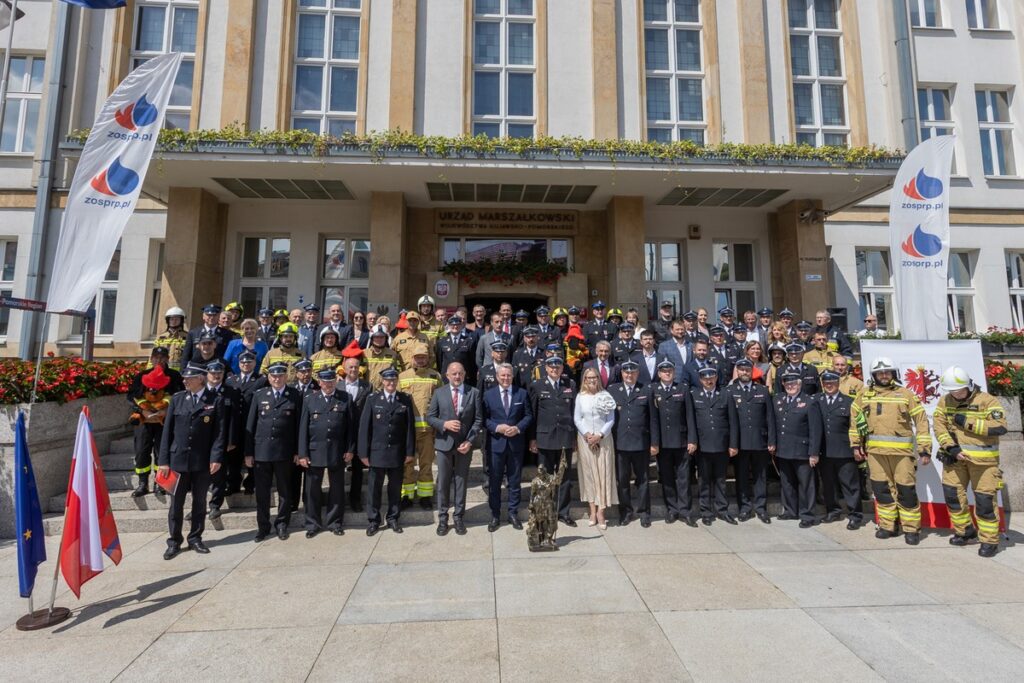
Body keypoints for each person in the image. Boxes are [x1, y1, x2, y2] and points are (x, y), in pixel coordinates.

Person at [849, 357, 931, 545]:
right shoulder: (864, 395)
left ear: (893, 374)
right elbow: (854, 421)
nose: (884, 376)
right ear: (874, 375)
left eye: (887, 372)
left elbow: (921, 421)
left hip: (902, 454)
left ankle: (911, 528)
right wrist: (855, 445)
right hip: (875, 453)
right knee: (882, 491)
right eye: (880, 373)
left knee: (906, 491)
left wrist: (925, 449)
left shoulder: (905, 394)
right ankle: (887, 525)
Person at [933, 366, 1007, 557]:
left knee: (984, 502)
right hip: (955, 459)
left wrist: (967, 422)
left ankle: (989, 541)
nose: (956, 394)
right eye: (952, 391)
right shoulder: (945, 400)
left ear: (969, 385)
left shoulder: (987, 401)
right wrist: (952, 448)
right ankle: (965, 532)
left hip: (983, 463)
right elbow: (939, 426)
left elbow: (1000, 427)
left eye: (959, 391)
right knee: (953, 496)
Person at [157, 363, 226, 560]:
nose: (185, 380)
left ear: (201, 378)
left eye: (190, 377)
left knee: (199, 501)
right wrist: (163, 461)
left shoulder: (215, 400)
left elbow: (219, 434)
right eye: (185, 377)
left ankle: (195, 537)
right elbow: (167, 432)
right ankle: (174, 541)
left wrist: (216, 457)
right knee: (175, 504)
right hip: (177, 460)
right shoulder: (178, 399)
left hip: (201, 461)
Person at [245, 362, 302, 542]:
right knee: (262, 493)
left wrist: (298, 451)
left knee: (285, 491)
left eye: (280, 376)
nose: (277, 379)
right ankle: (263, 526)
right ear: (269, 378)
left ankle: (282, 524)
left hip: (284, 452)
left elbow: (299, 426)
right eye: (273, 376)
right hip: (261, 452)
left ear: (286, 377)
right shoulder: (259, 395)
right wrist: (248, 453)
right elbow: (250, 425)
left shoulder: (295, 395)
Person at [298, 367, 356, 538]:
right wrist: (302, 453)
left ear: (335, 381)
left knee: (337, 489)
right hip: (314, 451)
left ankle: (335, 522)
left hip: (337, 451)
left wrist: (350, 449)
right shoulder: (309, 399)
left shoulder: (345, 398)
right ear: (320, 383)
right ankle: (312, 524)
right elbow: (302, 429)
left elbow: (351, 428)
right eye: (325, 381)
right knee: (312, 490)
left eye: (331, 381)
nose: (328, 384)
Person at [358, 367, 416, 535]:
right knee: (374, 489)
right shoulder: (372, 399)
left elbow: (409, 429)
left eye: (393, 380)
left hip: (397, 452)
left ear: (397, 381)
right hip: (377, 453)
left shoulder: (404, 399)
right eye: (388, 380)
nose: (391, 383)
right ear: (382, 381)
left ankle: (393, 518)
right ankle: (374, 520)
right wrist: (363, 453)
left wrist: (410, 451)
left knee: (395, 488)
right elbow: (364, 428)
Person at [427, 362, 482, 536]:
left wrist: (470, 441)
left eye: (460, 373)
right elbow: (430, 417)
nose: (457, 377)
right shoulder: (439, 393)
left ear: (465, 374)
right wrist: (444, 424)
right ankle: (443, 518)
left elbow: (478, 420)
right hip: (444, 445)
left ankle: (458, 517)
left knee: (461, 482)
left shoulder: (473, 393)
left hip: (463, 446)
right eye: (453, 374)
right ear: (447, 375)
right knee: (443, 483)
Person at [529, 355, 578, 526]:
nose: (555, 369)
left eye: (558, 366)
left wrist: (574, 438)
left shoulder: (570, 385)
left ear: (562, 368)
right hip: (545, 438)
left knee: (564, 478)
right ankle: (546, 510)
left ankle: (563, 512)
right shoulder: (537, 385)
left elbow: (574, 413)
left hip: (565, 437)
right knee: (546, 478)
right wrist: (533, 438)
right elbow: (533, 414)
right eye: (551, 366)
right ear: (546, 368)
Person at [482, 363, 533, 530]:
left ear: (512, 376)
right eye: (502, 376)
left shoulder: (522, 394)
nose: (505, 378)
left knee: (514, 481)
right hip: (496, 445)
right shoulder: (488, 395)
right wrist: (497, 428)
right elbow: (484, 419)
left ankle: (513, 513)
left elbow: (528, 416)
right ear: (497, 377)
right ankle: (495, 515)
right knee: (494, 482)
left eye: (508, 376)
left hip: (515, 444)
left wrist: (517, 428)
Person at [609, 361, 658, 527]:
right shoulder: (613, 390)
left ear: (637, 373)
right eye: (626, 372)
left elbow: (653, 419)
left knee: (643, 480)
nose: (629, 375)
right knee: (622, 481)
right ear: (622, 373)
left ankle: (644, 513)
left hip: (641, 444)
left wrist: (654, 443)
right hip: (620, 444)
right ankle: (626, 512)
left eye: (633, 373)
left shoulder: (646, 389)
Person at [726, 359, 776, 523]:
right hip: (740, 443)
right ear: (737, 372)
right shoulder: (730, 391)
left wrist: (771, 440)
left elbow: (770, 418)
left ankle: (761, 508)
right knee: (741, 477)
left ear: (752, 371)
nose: (744, 373)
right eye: (741, 370)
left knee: (760, 476)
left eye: (747, 370)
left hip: (760, 442)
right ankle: (745, 508)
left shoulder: (762, 390)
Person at [650, 360, 697, 526]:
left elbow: (690, 416)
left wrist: (692, 439)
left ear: (674, 372)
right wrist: (654, 443)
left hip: (682, 442)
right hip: (663, 443)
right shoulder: (653, 390)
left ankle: (685, 511)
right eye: (664, 371)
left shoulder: (683, 389)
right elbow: (653, 420)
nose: (667, 373)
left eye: (670, 370)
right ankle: (672, 510)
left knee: (684, 479)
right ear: (659, 373)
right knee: (667, 478)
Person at [775, 371, 824, 528]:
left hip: (802, 451)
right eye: (787, 383)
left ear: (800, 384)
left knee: (806, 485)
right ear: (783, 384)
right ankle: (790, 510)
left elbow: (815, 430)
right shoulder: (778, 400)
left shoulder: (809, 402)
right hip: (783, 450)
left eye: (794, 383)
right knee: (787, 483)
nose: (790, 386)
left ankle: (807, 515)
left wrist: (814, 453)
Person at [691, 366, 737, 525]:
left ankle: (722, 510)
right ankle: (706, 512)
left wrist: (733, 444)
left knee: (720, 480)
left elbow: (733, 421)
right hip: (703, 446)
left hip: (722, 445)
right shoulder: (694, 395)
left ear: (716, 378)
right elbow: (691, 421)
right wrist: (693, 441)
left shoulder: (725, 394)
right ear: (700, 380)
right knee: (703, 480)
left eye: (711, 378)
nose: (708, 380)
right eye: (705, 378)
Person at [398, 343, 443, 508]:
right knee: (407, 464)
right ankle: (407, 496)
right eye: (418, 357)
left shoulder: (435, 376)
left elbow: (442, 401)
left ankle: (425, 496)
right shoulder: (402, 377)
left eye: (423, 357)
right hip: (407, 431)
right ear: (412, 359)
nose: (421, 360)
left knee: (426, 463)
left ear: (428, 358)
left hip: (427, 430)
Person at [817, 370, 863, 529]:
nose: (829, 385)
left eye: (832, 383)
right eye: (826, 383)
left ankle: (855, 515)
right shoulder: (817, 400)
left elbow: (856, 426)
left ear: (838, 383)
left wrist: (857, 447)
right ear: (823, 384)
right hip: (824, 451)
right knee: (828, 485)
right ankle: (833, 511)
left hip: (845, 450)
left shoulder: (850, 402)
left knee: (850, 485)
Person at [574, 367, 618, 530]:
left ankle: (602, 511)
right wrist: (587, 435)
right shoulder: (580, 396)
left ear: (599, 379)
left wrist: (599, 435)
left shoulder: (605, 396)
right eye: (588, 378)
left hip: (604, 440)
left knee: (603, 474)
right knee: (589, 475)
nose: (591, 380)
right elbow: (577, 418)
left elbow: (611, 419)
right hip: (585, 441)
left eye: (594, 377)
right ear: (584, 380)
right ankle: (592, 511)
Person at [204, 360, 244, 520]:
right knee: (200, 476)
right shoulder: (201, 392)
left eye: (219, 373)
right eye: (213, 373)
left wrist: (231, 440)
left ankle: (215, 505)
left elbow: (235, 419)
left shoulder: (231, 392)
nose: (216, 376)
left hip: (222, 441)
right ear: (207, 374)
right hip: (203, 440)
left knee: (219, 475)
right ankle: (197, 507)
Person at [128, 363, 173, 498]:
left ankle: (160, 483)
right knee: (141, 451)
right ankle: (143, 483)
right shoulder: (141, 377)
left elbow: (173, 396)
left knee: (161, 452)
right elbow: (133, 397)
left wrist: (165, 409)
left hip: (162, 422)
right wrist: (142, 410)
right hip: (144, 422)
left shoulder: (172, 377)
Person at [226, 350, 265, 494]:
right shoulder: (231, 380)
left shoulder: (261, 380)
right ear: (239, 364)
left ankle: (250, 483)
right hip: (235, 425)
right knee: (234, 457)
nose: (246, 364)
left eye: (249, 362)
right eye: (243, 362)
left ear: (254, 363)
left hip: (253, 423)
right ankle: (233, 484)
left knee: (252, 454)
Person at [338, 357, 371, 512]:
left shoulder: (367, 386)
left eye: (356, 367)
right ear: (344, 368)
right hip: (340, 434)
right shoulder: (336, 386)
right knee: (337, 469)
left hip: (359, 432)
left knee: (358, 470)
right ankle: (337, 501)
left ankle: (355, 500)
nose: (353, 370)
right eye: (350, 367)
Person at [437, 315, 477, 383]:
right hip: (447, 378)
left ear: (461, 325)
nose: (455, 327)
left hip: (463, 377)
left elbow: (472, 362)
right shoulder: (441, 341)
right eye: (452, 324)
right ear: (449, 326)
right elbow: (439, 361)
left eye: (457, 324)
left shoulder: (468, 341)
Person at [365, 325, 402, 390]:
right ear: (372, 338)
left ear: (386, 338)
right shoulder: (364, 353)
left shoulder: (393, 354)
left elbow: (397, 374)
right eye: (376, 337)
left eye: (382, 337)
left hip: (384, 392)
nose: (379, 339)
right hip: (366, 391)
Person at [154, 307, 189, 371]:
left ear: (181, 321)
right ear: (168, 320)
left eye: (177, 319)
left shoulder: (188, 337)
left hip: (180, 373)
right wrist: (150, 372)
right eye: (172, 319)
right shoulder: (160, 337)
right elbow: (154, 356)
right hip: (163, 372)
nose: (174, 321)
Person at [657, 318, 690, 384]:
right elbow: (661, 366)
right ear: (671, 330)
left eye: (682, 329)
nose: (680, 331)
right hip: (673, 382)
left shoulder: (691, 345)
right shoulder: (664, 346)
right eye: (677, 329)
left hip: (689, 381)